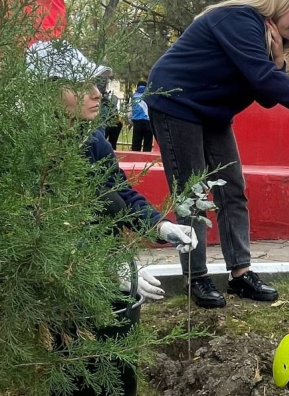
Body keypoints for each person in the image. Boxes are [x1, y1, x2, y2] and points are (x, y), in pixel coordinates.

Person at [145, 0, 289, 309]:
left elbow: (265, 94)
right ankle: (196, 276)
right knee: (194, 193)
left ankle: (240, 273)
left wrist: (278, 60)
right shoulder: (238, 19)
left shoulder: (268, 37)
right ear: (281, 0)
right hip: (175, 102)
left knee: (232, 188)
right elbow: (263, 80)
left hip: (213, 112)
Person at [27, 40, 197, 300]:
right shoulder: (18, 148)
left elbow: (121, 194)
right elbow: (27, 230)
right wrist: (103, 266)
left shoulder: (93, 141)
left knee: (110, 199)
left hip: (79, 264)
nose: (97, 93)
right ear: (46, 92)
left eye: (95, 84)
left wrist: (161, 226)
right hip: (27, 278)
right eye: (81, 87)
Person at [129, 80, 153, 152]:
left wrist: (130, 121)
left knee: (136, 144)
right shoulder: (150, 96)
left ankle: (134, 160)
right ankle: (146, 161)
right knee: (147, 144)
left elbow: (130, 111)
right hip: (148, 122)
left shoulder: (133, 96)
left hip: (137, 122)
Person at [101, 80, 124, 148]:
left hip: (107, 121)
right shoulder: (115, 97)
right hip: (116, 120)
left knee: (102, 141)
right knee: (113, 142)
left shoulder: (101, 97)